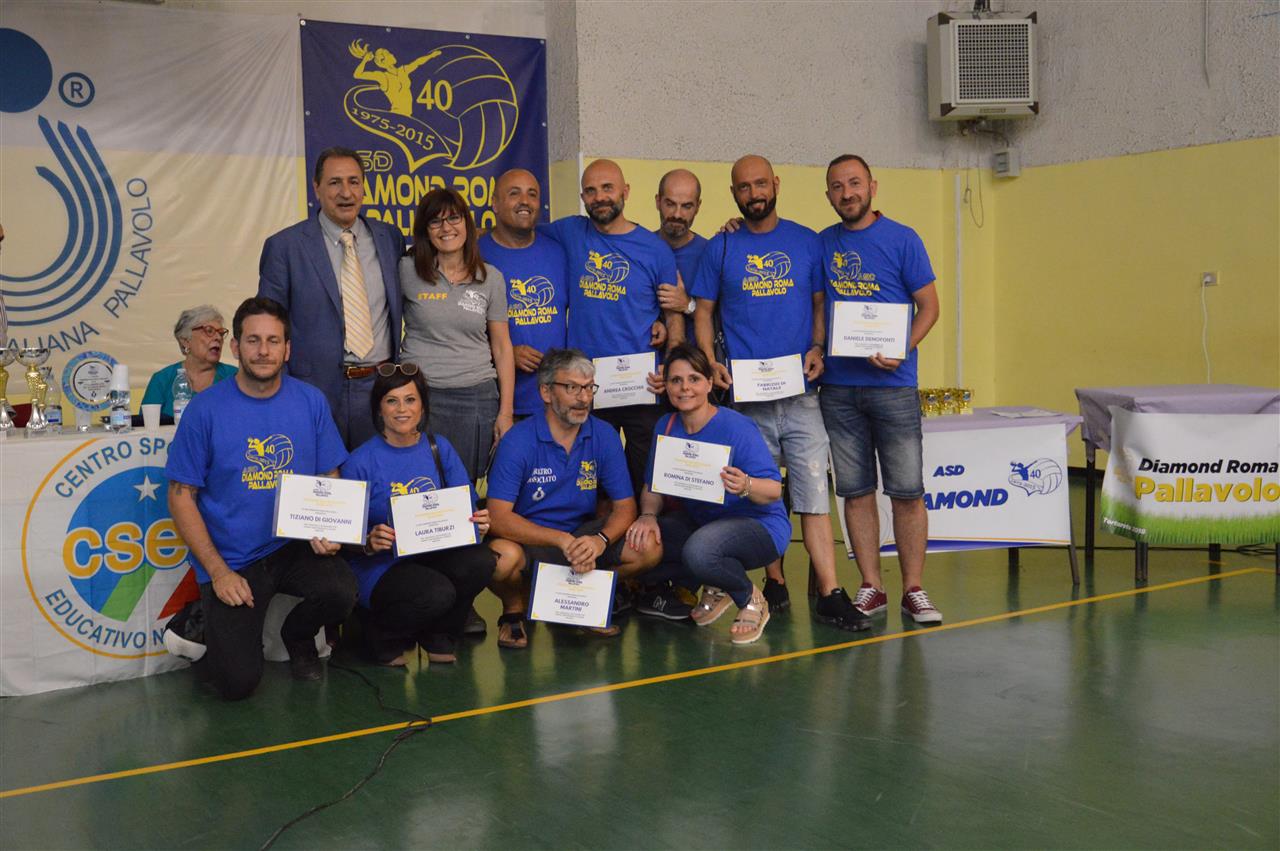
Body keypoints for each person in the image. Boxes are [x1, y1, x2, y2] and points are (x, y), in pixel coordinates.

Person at [690, 155, 868, 632]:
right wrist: (709, 362)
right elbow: (703, 311)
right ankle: (775, 582)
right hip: (745, 401)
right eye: (744, 187)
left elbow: (819, 304)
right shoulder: (721, 247)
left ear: (776, 184)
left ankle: (830, 593)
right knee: (759, 497)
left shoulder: (806, 241)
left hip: (801, 396)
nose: (754, 194)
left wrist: (817, 347)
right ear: (734, 194)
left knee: (812, 494)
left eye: (761, 184)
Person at [165, 297, 356, 700]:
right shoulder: (204, 410)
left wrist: (328, 528)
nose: (264, 351)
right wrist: (218, 572)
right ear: (236, 347)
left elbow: (329, 475)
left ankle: (297, 636)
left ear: (288, 349)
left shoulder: (310, 401)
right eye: (253, 340)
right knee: (237, 684)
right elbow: (181, 497)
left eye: (273, 341)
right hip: (234, 558)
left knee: (341, 590)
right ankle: (198, 623)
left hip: (293, 544)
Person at [819, 154, 942, 624]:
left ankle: (914, 588)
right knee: (855, 492)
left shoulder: (903, 239)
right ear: (828, 195)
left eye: (854, 183)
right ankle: (872, 586)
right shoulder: (822, 243)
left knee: (907, 492)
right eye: (837, 186)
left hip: (894, 388)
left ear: (872, 186)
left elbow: (929, 307)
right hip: (838, 389)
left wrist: (902, 348)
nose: (846, 193)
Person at [485, 348, 663, 648]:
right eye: (572, 388)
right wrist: (559, 540)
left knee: (649, 547)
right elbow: (498, 517)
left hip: (583, 534)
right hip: (531, 538)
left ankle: (582, 598)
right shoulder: (517, 440)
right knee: (501, 560)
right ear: (545, 392)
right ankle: (514, 610)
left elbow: (625, 506)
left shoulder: (603, 434)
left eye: (589, 388)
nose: (583, 398)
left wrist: (600, 541)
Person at [626, 344, 790, 645]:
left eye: (694, 379)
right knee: (641, 540)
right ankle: (717, 582)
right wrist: (647, 516)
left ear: (709, 383)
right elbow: (652, 485)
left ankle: (749, 598)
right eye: (676, 380)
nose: (684, 388)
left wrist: (746, 485)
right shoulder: (666, 425)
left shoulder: (736, 426)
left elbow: (773, 490)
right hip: (704, 524)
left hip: (759, 526)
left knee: (699, 551)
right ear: (667, 387)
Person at [340, 364, 500, 666]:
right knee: (436, 592)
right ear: (379, 409)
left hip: (432, 552)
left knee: (480, 561)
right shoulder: (360, 461)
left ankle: (438, 634)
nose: (402, 409)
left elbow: (466, 508)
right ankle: (380, 633)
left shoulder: (440, 448)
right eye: (392, 401)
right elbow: (343, 537)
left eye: (410, 400)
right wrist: (368, 541)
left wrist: (478, 523)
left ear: (423, 406)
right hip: (382, 565)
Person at [539, 159, 683, 494]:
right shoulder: (570, 232)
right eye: (590, 191)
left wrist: (670, 364)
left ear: (625, 192)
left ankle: (643, 527)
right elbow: (518, 234)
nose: (599, 197)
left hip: (643, 385)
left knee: (644, 475)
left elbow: (673, 313)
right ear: (582, 197)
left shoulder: (656, 250)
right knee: (591, 479)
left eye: (607, 188)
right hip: (586, 385)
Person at [258, 146, 404, 449]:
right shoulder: (285, 247)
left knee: (377, 474)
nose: (345, 192)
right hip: (313, 391)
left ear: (363, 187)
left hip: (381, 388)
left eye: (354, 182)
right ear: (317, 188)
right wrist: (282, 391)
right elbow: (268, 326)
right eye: (335, 182)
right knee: (320, 476)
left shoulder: (390, 238)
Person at [401, 187, 515, 482]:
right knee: (419, 484)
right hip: (419, 396)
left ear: (467, 223)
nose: (446, 228)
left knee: (463, 488)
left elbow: (502, 347)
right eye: (435, 221)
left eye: (454, 218)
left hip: (475, 397)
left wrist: (506, 412)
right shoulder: (406, 270)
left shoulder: (490, 278)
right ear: (425, 230)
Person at [478, 169, 568, 422]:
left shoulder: (558, 252)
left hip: (556, 403)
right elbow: (457, 329)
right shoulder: (474, 255)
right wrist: (504, 353)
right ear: (495, 204)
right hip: (500, 405)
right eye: (514, 194)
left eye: (532, 194)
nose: (525, 201)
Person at [141, 305, 238, 418]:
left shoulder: (235, 377)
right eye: (209, 331)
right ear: (186, 341)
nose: (218, 338)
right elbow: (144, 426)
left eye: (221, 333)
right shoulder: (162, 380)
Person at [653, 168, 705, 320]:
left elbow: (725, 318)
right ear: (658, 201)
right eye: (670, 204)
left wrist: (687, 305)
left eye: (687, 206)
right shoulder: (640, 249)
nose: (677, 214)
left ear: (698, 207)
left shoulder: (710, 253)